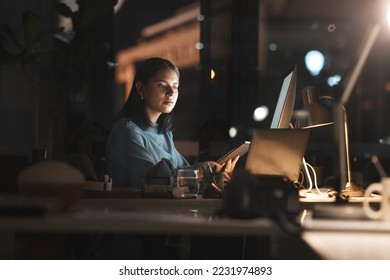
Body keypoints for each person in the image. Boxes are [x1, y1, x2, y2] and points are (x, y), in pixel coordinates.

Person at [105, 57, 238, 188]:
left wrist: (214, 173)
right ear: (140, 89)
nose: (171, 92)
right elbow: (151, 183)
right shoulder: (127, 132)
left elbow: (182, 171)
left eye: (175, 86)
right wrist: (202, 170)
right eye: (162, 85)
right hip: (134, 208)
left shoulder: (164, 133)